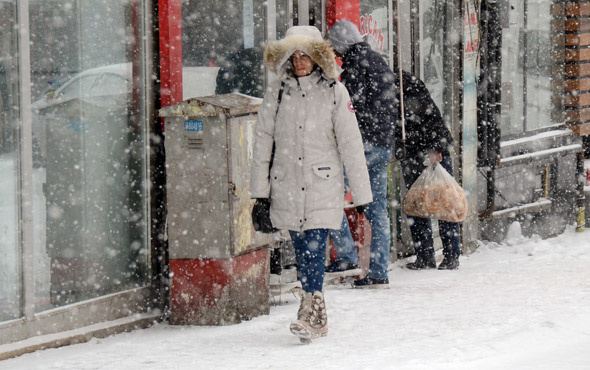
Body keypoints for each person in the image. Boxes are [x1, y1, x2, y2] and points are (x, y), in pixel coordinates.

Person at [250, 25, 372, 341]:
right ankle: (313, 307)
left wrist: (362, 195)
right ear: (287, 59)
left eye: (306, 55)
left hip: (322, 183)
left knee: (314, 245)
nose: (300, 61)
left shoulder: (334, 92)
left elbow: (351, 143)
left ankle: (312, 310)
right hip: (286, 184)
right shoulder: (276, 94)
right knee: (303, 246)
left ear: (317, 57)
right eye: (295, 55)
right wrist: (259, 195)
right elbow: (262, 143)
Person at [326, 20, 398, 288]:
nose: (334, 53)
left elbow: (348, 110)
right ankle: (379, 272)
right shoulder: (378, 61)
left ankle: (346, 256)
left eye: (334, 48)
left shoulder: (355, 68)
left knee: (331, 197)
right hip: (382, 146)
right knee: (378, 210)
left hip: (360, 145)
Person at [397, 71, 461, 270]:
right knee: (418, 204)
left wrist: (436, 149)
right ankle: (426, 256)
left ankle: (449, 255)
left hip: (430, 152)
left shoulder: (405, 87)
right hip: (413, 152)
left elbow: (431, 118)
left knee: (442, 202)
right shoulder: (394, 87)